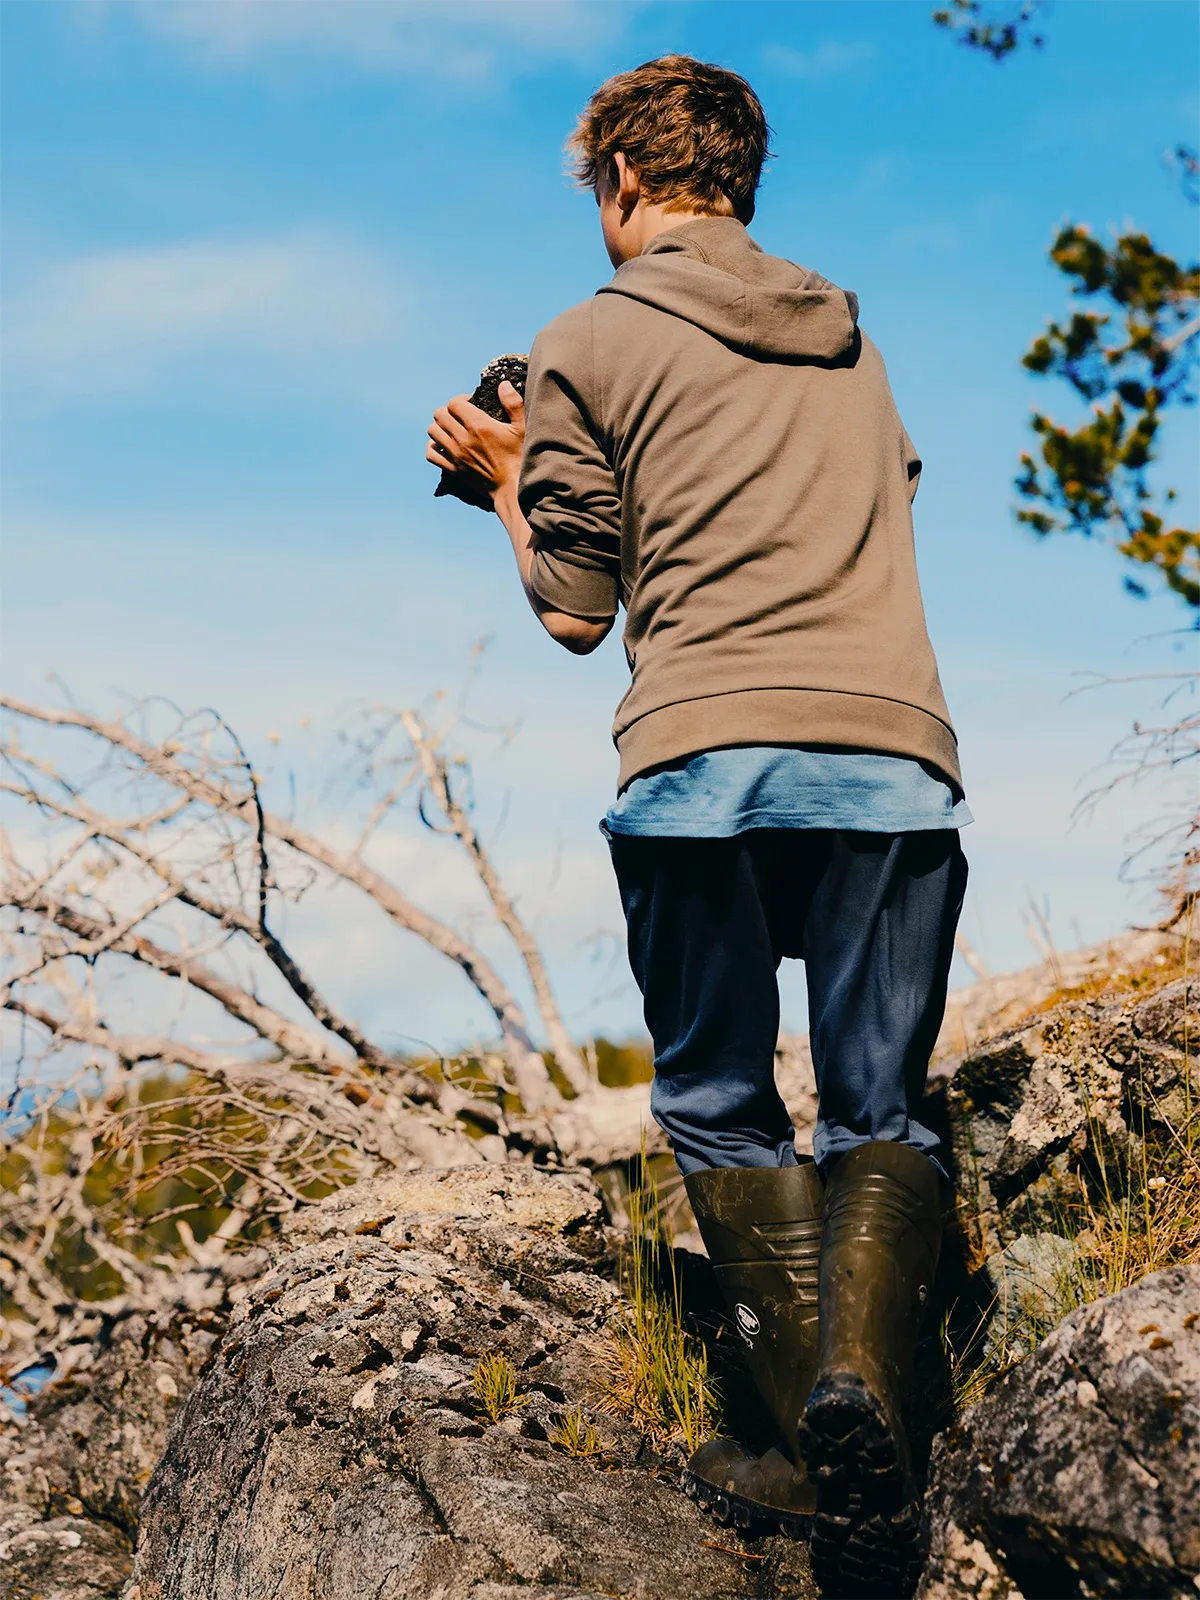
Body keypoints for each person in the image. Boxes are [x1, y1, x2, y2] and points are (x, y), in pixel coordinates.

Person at [425, 54, 969, 1599]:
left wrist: (513, 475)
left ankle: (815, 1450)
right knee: (883, 1110)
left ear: (616, 186)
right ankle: (865, 1397)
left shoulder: (588, 339)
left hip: (702, 770)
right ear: (743, 180)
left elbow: (574, 615)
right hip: (892, 759)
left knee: (725, 1106)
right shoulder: (853, 339)